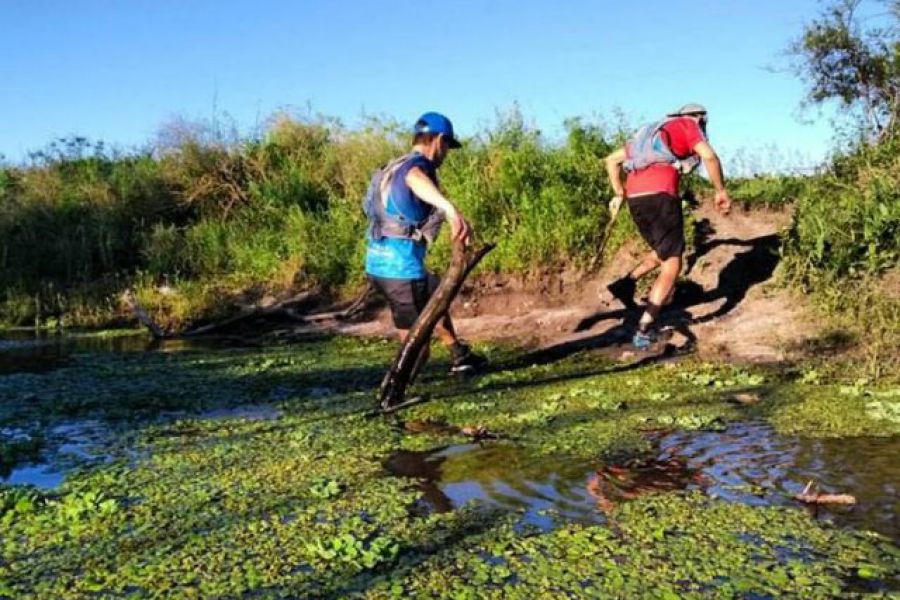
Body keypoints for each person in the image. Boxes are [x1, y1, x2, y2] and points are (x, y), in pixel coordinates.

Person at [364, 111, 487, 373]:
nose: (446, 154)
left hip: (377, 264)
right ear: (439, 140)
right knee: (416, 349)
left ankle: (458, 354)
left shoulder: (394, 165)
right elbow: (415, 179)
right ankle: (394, 392)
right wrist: (449, 209)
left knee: (433, 293)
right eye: (448, 147)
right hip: (400, 272)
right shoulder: (417, 166)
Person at [603, 103, 732, 349]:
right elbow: (709, 156)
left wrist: (619, 192)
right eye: (703, 123)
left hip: (636, 199)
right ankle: (645, 330)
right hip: (661, 195)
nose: (703, 128)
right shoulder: (687, 125)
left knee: (663, 251)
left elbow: (611, 161)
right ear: (697, 118)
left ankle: (623, 285)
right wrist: (720, 190)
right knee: (673, 262)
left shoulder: (649, 135)